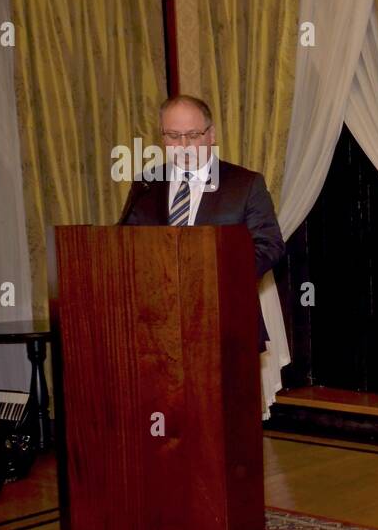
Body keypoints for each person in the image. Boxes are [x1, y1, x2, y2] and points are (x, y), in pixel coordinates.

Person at [119, 94, 285, 353]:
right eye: (173, 136)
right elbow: (124, 245)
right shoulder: (146, 184)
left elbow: (269, 247)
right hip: (155, 328)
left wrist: (211, 279)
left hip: (226, 324)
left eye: (193, 135)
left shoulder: (244, 184)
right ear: (162, 137)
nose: (183, 145)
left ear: (211, 135)